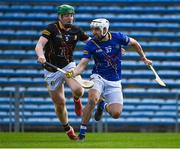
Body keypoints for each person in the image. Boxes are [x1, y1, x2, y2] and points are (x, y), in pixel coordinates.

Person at [66, 18, 152, 140]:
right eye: (92, 29)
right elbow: (82, 65)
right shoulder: (91, 44)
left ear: (105, 29)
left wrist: (144, 58)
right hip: (98, 76)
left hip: (115, 80)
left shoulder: (119, 37)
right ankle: (82, 133)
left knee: (116, 113)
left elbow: (135, 43)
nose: (93, 32)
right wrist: (73, 73)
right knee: (92, 100)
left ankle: (103, 105)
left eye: (97, 29)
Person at [35, 4, 91, 140]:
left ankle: (76, 99)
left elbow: (91, 43)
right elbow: (39, 45)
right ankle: (67, 128)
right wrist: (40, 55)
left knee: (79, 90)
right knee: (60, 103)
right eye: (66, 15)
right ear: (60, 17)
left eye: (71, 15)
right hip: (51, 69)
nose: (69, 18)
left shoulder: (76, 30)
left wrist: (112, 47)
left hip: (68, 66)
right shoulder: (51, 28)